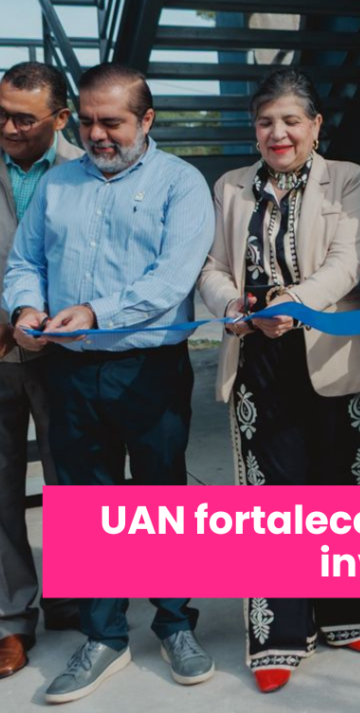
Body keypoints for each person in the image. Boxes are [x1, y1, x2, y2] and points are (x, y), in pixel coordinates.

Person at [3, 63, 215, 704]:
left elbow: (172, 278)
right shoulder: (58, 184)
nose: (97, 134)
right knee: (84, 507)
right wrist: (26, 309)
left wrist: (96, 313)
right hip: (67, 369)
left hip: (147, 368)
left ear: (146, 120)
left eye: (113, 122)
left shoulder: (181, 183)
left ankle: (175, 624)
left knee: (161, 499)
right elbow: (25, 261)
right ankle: (104, 636)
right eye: (90, 122)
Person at [197, 69, 360, 693]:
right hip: (257, 355)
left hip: (331, 353)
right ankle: (279, 632)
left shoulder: (347, 177)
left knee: (342, 488)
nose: (278, 133)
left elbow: (349, 260)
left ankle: (351, 611)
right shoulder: (229, 187)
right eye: (265, 122)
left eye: (291, 121)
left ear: (315, 125)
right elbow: (212, 266)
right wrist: (231, 306)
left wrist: (294, 303)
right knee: (273, 501)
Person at [0, 63, 81, 681]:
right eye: (1, 113)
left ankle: (77, 600)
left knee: (74, 479)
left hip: (66, 352)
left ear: (60, 117)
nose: (8, 127)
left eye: (23, 119)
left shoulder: (88, 167)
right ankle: (10, 620)